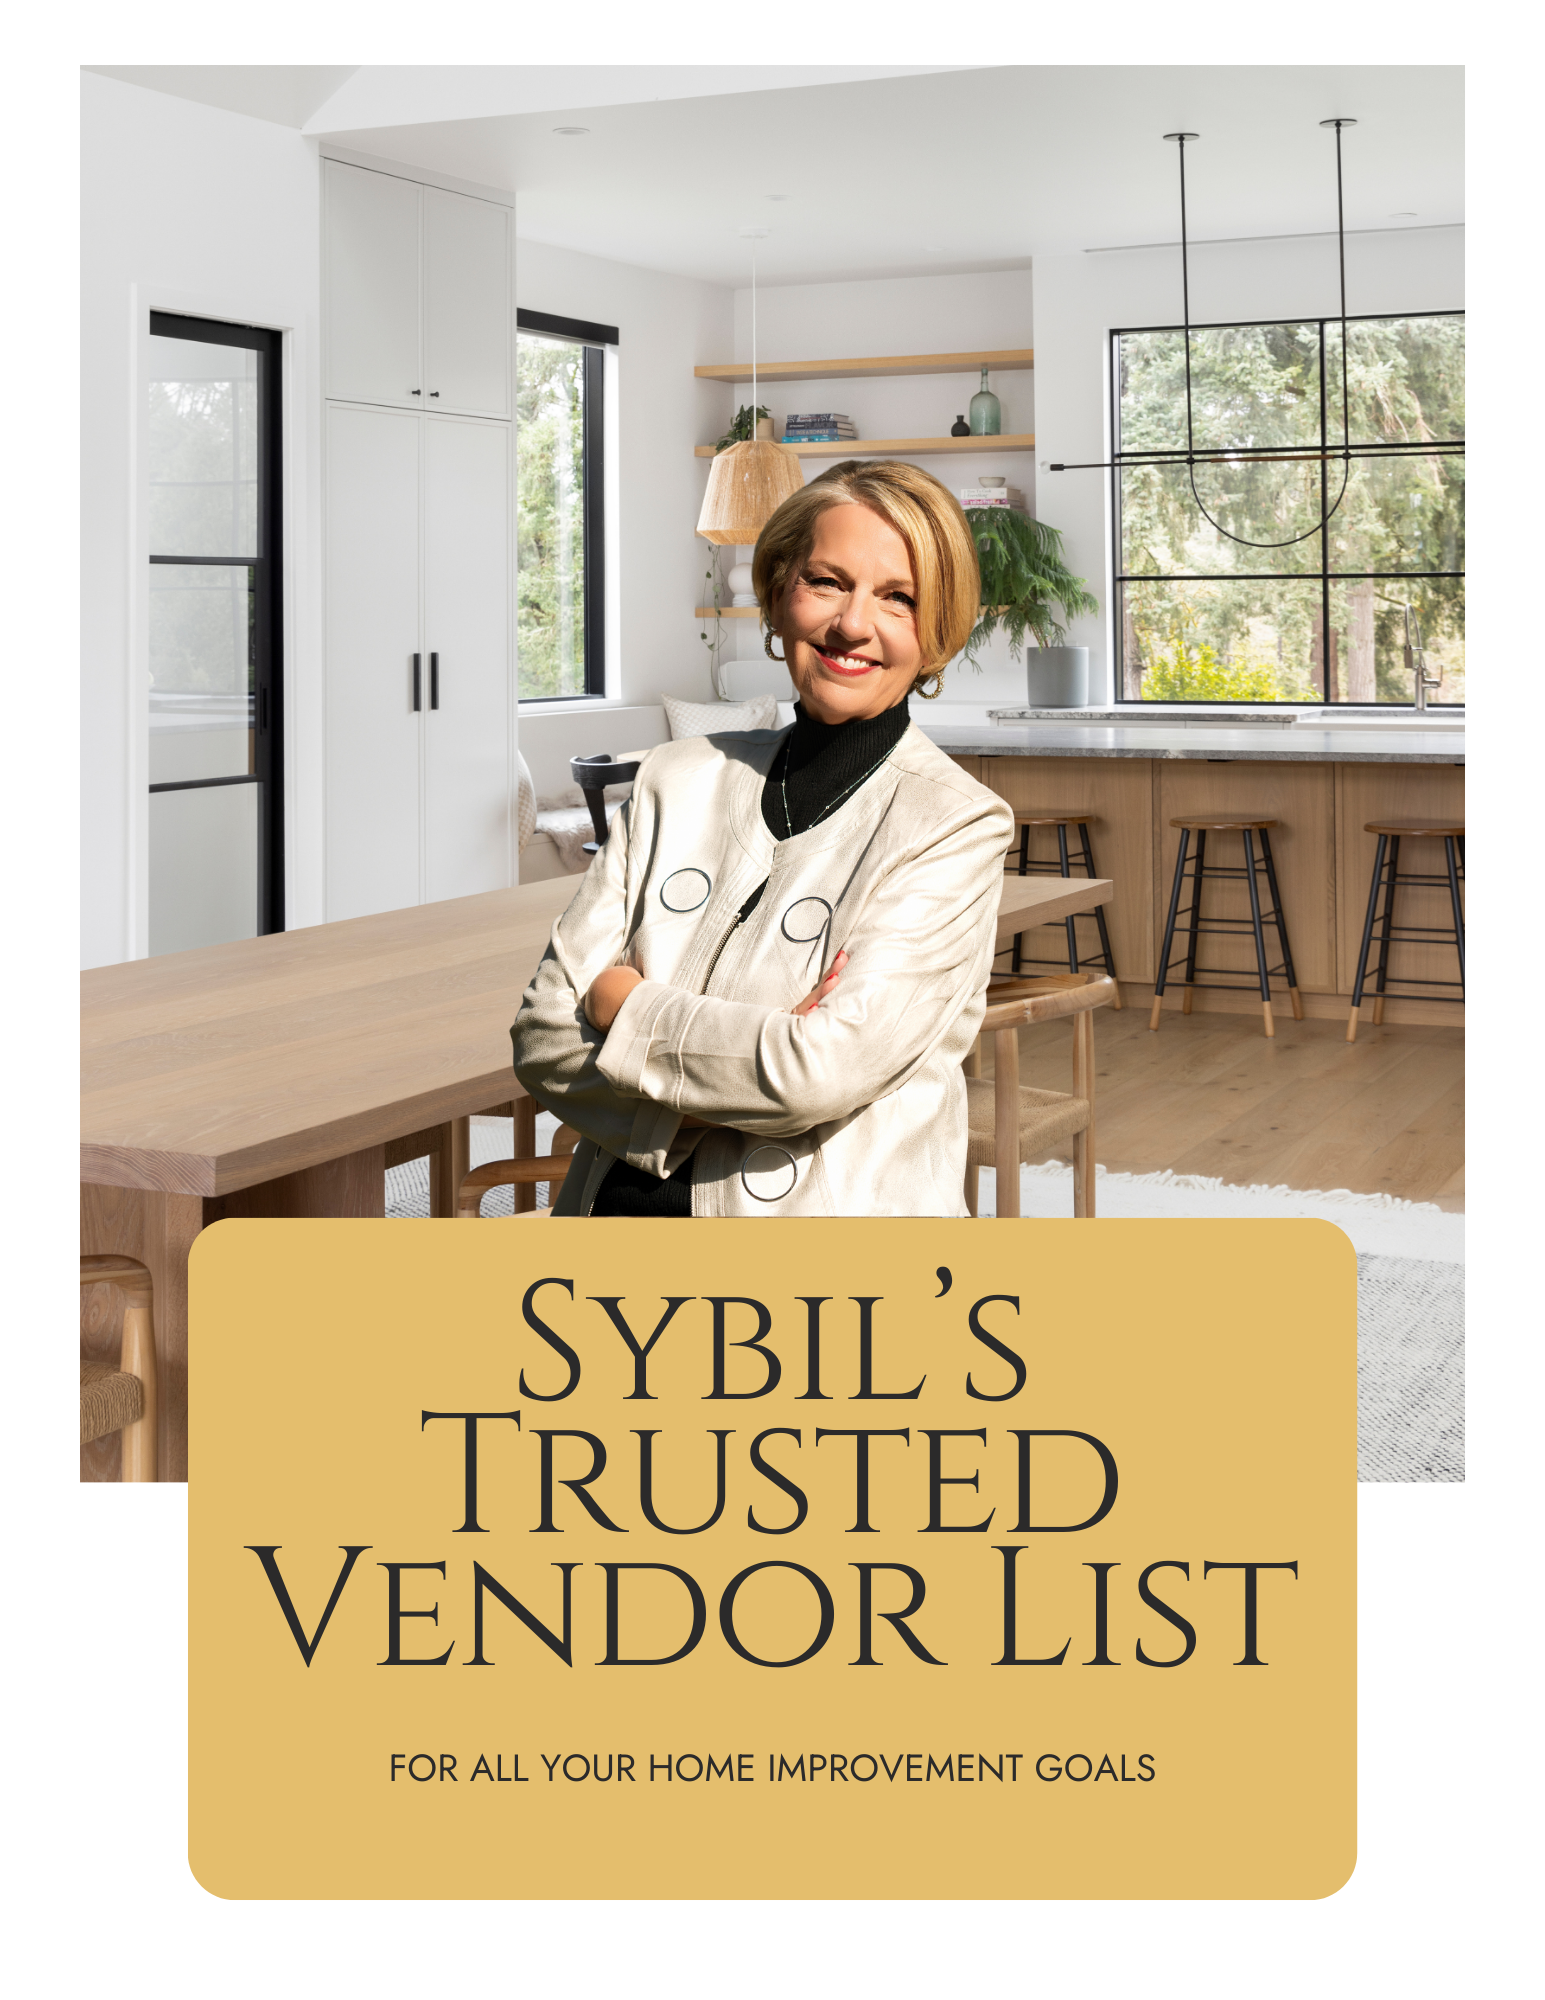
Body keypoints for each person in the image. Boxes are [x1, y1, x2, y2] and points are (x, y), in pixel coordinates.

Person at [510, 458, 1015, 1216]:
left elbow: (815, 1074)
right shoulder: (670, 781)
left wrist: (623, 1005)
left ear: (938, 632)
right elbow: (543, 1039)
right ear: (778, 594)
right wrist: (747, 1062)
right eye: (827, 582)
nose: (852, 624)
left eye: (898, 599)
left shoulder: (954, 825)